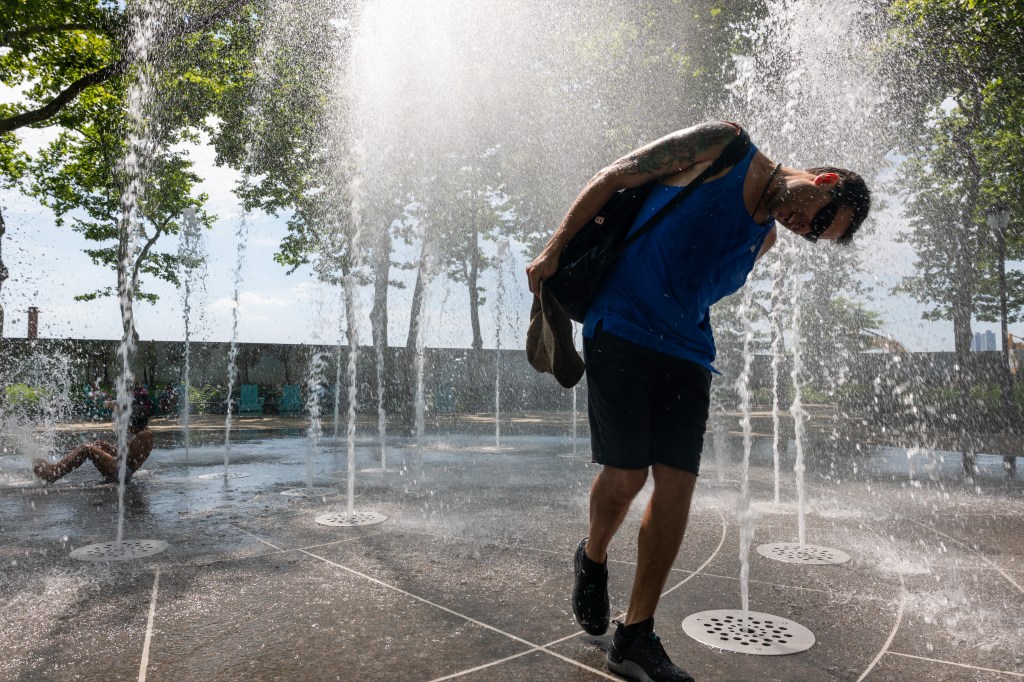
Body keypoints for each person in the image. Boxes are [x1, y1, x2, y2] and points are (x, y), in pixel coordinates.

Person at [526, 120, 871, 682]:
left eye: (817, 235)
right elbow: (616, 177)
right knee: (626, 477)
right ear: (824, 180)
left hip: (689, 354)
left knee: (677, 484)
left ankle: (635, 636)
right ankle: (592, 557)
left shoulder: (766, 239)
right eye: (822, 219)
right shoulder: (725, 147)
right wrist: (554, 249)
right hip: (622, 328)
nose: (807, 229)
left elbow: (697, 282)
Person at [34, 400, 155, 484]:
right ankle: (55, 469)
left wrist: (109, 450)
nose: (127, 426)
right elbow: (127, 455)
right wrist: (108, 447)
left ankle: (54, 473)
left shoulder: (145, 435)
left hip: (123, 472)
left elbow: (126, 458)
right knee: (91, 447)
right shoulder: (142, 434)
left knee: (87, 448)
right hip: (122, 470)